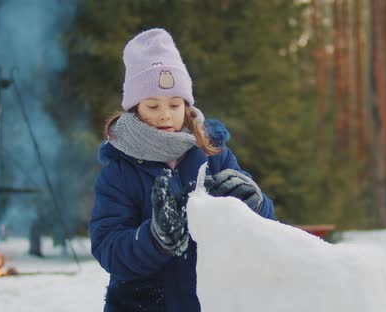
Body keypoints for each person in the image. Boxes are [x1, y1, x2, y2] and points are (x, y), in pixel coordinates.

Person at [89, 28, 275, 312]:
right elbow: (108, 246)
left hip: (210, 303)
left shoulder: (214, 156)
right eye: (153, 105)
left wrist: (256, 204)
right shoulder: (119, 172)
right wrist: (153, 239)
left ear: (187, 106)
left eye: (174, 104)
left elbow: (265, 229)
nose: (165, 114)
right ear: (135, 109)